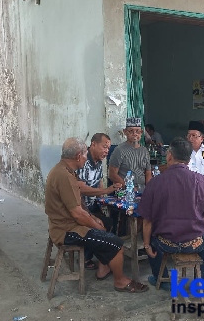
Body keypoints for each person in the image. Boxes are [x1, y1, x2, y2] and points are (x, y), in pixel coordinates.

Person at [45, 137, 148, 293]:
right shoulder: (64, 176)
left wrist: (93, 218)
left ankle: (104, 267)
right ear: (79, 156)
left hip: (68, 224)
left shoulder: (65, 171)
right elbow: (78, 214)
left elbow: (78, 207)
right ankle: (120, 281)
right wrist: (96, 226)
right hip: (66, 231)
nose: (86, 158)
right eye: (85, 154)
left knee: (105, 227)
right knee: (115, 242)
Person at [138, 137, 204, 288]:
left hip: (165, 244)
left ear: (169, 155)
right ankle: (201, 278)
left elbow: (147, 221)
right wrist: (202, 225)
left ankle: (161, 280)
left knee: (151, 236)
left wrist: (146, 246)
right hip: (195, 243)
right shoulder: (202, 180)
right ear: (189, 159)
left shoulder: (155, 182)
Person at [76, 133, 122, 270]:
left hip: (93, 205)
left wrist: (103, 201)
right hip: (81, 208)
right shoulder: (84, 161)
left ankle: (101, 261)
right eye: (104, 147)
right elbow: (82, 190)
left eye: (108, 148)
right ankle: (89, 258)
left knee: (110, 221)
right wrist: (106, 191)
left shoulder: (98, 162)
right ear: (93, 144)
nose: (107, 151)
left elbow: (99, 182)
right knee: (102, 226)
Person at [108, 117, 152, 189]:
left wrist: (149, 189)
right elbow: (112, 174)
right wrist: (129, 187)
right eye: (131, 131)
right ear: (125, 132)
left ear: (141, 132)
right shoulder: (119, 150)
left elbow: (148, 172)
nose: (135, 134)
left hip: (142, 190)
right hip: (125, 191)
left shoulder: (144, 151)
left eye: (137, 131)